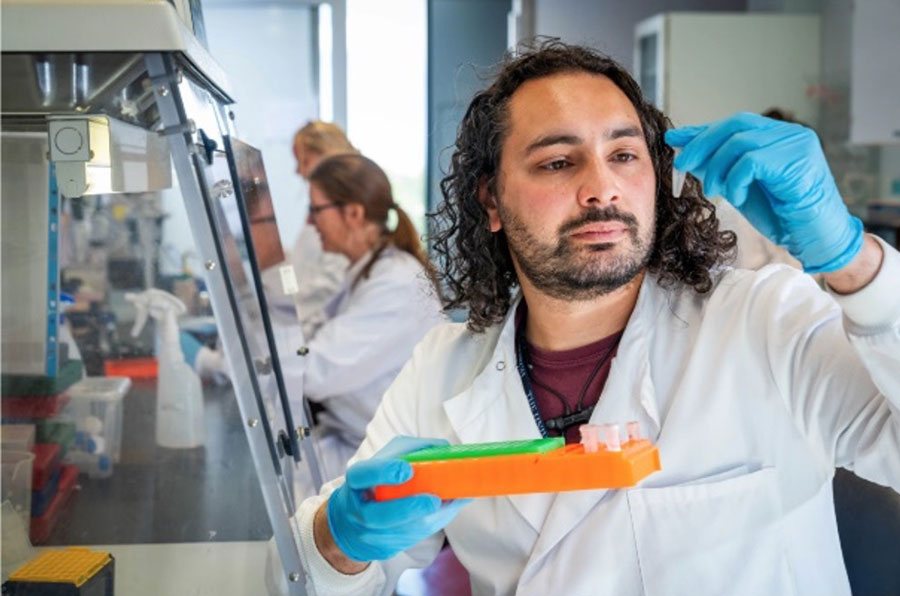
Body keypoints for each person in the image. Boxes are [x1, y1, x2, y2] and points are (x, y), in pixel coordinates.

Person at [286, 40, 900, 595]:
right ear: (491, 201)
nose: (602, 188)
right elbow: (311, 579)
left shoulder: (767, 321)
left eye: (626, 155)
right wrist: (340, 540)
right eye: (558, 162)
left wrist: (855, 263)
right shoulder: (443, 370)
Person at [277, 153, 445, 480]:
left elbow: (314, 372)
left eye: (316, 210)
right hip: (358, 443)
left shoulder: (395, 283)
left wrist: (225, 365)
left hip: (393, 464)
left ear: (353, 213)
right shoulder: (369, 272)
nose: (310, 223)